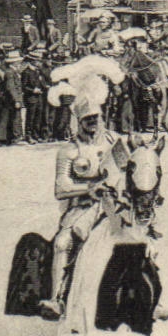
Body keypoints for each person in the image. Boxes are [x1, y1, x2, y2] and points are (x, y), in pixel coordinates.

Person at [41, 95, 123, 319]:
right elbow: (60, 188)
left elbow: (127, 170)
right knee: (62, 243)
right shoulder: (68, 150)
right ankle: (56, 298)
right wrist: (88, 189)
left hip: (114, 204)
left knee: (142, 236)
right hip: (82, 207)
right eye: (87, 119)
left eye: (95, 117)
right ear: (79, 121)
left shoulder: (114, 141)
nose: (93, 123)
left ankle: (155, 300)